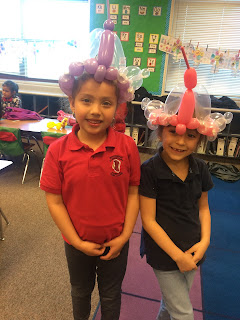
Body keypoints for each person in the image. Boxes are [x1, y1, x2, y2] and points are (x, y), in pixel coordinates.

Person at [40, 16, 150, 320]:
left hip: (117, 241)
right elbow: (54, 199)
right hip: (76, 242)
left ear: (118, 107)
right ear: (72, 101)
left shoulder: (126, 147)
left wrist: (125, 235)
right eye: (86, 100)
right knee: (80, 292)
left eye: (106, 103)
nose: (95, 110)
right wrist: (75, 240)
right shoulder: (58, 151)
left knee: (112, 295)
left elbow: (132, 193)